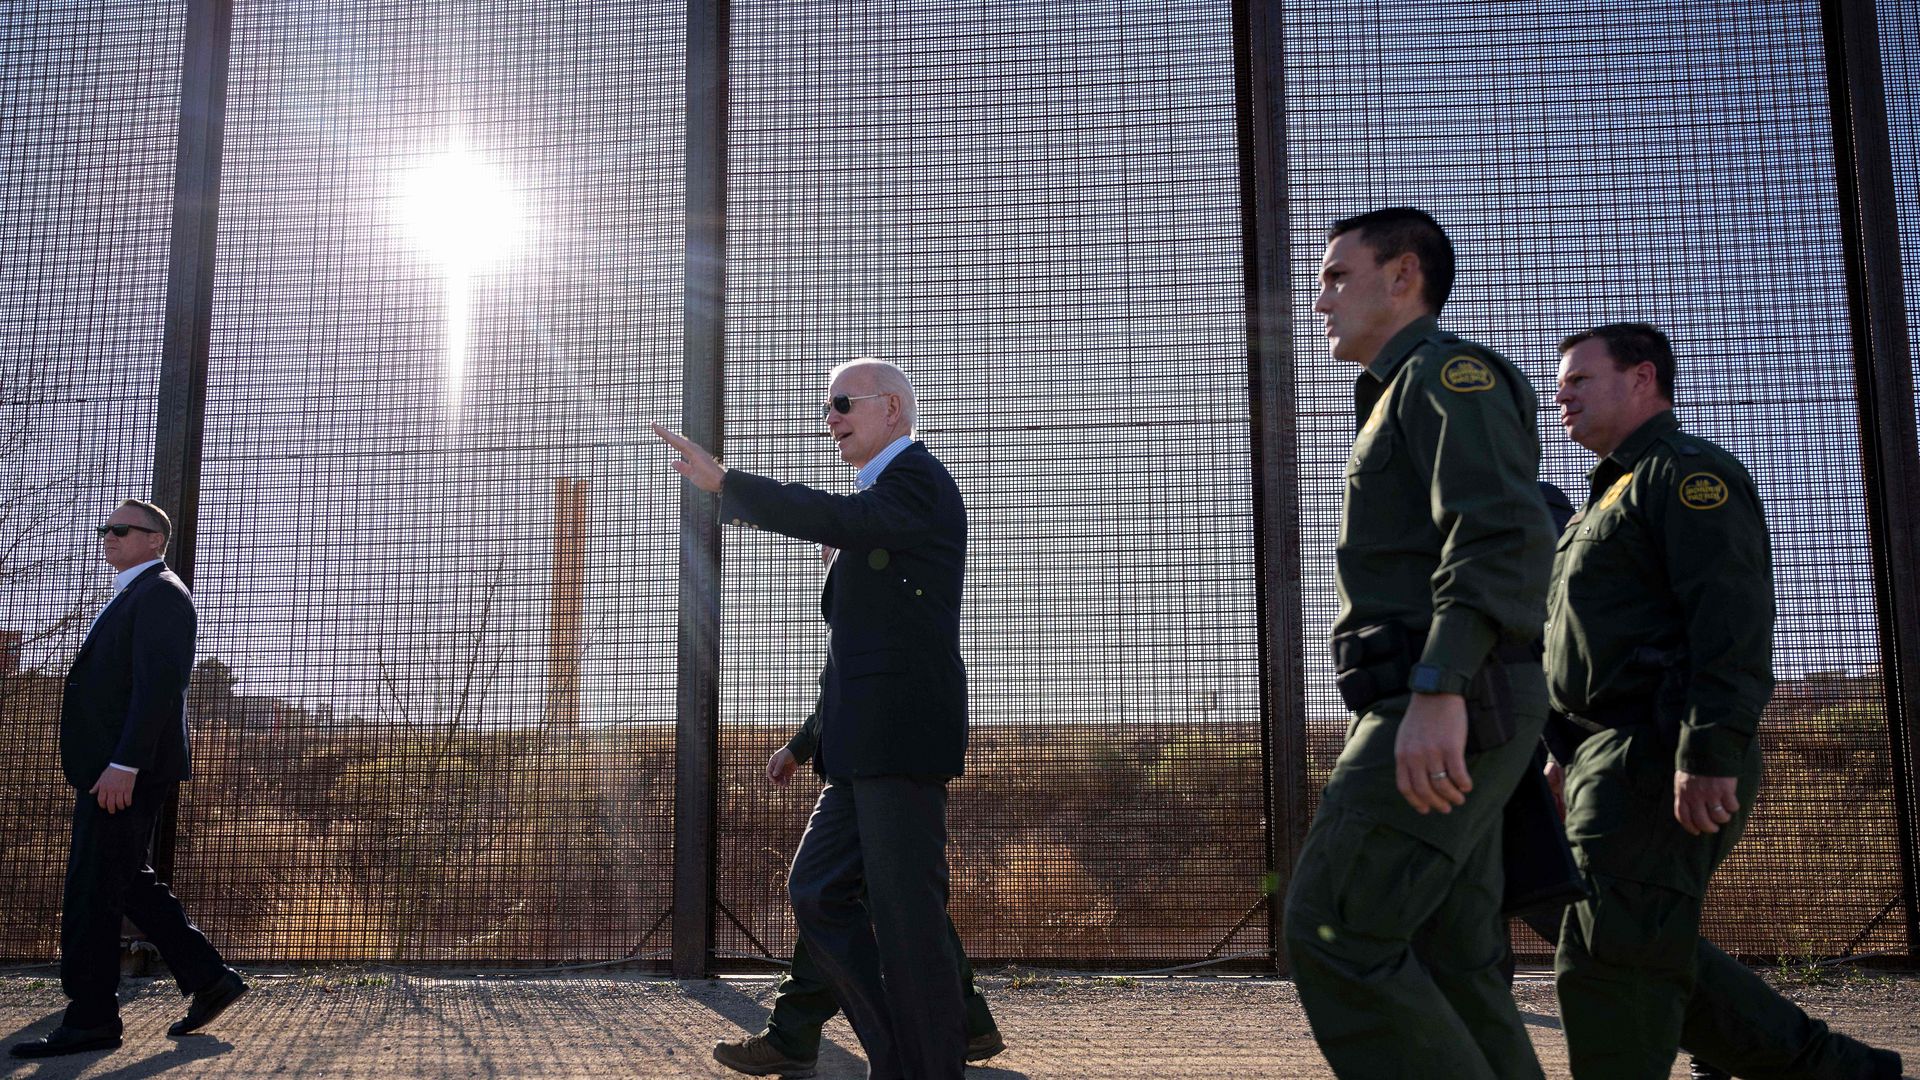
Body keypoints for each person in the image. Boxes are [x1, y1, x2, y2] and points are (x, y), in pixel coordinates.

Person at [1546, 322, 1903, 1080]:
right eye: (1562, 381)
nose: (1561, 394)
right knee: (1629, 938)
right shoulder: (1596, 504)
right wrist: (1564, 753)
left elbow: (1730, 625)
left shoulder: (1685, 475)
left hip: (1660, 744)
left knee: (1612, 960)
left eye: (1579, 379)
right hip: (1605, 754)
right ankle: (1832, 1070)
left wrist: (1707, 753)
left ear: (1642, 379)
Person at [1283, 207, 1555, 1079]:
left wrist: (1439, 689)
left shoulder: (1448, 374)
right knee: (1451, 957)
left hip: (1445, 699)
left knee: (1337, 928)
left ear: (1402, 277)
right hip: (1451, 697)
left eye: (1336, 277)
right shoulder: (1402, 391)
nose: (1320, 302)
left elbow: (1501, 533)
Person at [655, 357, 969, 1080]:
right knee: (817, 893)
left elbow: (843, 519)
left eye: (841, 403)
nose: (828, 418)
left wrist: (727, 484)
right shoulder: (877, 504)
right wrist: (806, 741)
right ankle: (904, 1055)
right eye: (827, 407)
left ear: (891, 409)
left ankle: (927, 1065)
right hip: (854, 751)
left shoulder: (916, 481)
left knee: (908, 922)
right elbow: (856, 649)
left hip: (900, 743)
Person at [11, 500, 246, 1060]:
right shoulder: (132, 592)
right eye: (105, 528)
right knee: (124, 879)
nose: (108, 536)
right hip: (110, 770)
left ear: (154, 539)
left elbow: (158, 689)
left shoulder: (162, 593)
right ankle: (209, 977)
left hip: (125, 772)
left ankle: (91, 1019)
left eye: (121, 529)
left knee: (93, 891)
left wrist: (125, 764)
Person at [712, 702, 1004, 1077]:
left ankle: (794, 1038)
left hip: (886, 763)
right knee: (850, 896)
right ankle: (967, 1022)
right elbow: (843, 686)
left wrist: (801, 746)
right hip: (868, 764)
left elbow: (858, 684)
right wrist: (801, 746)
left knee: (856, 897)